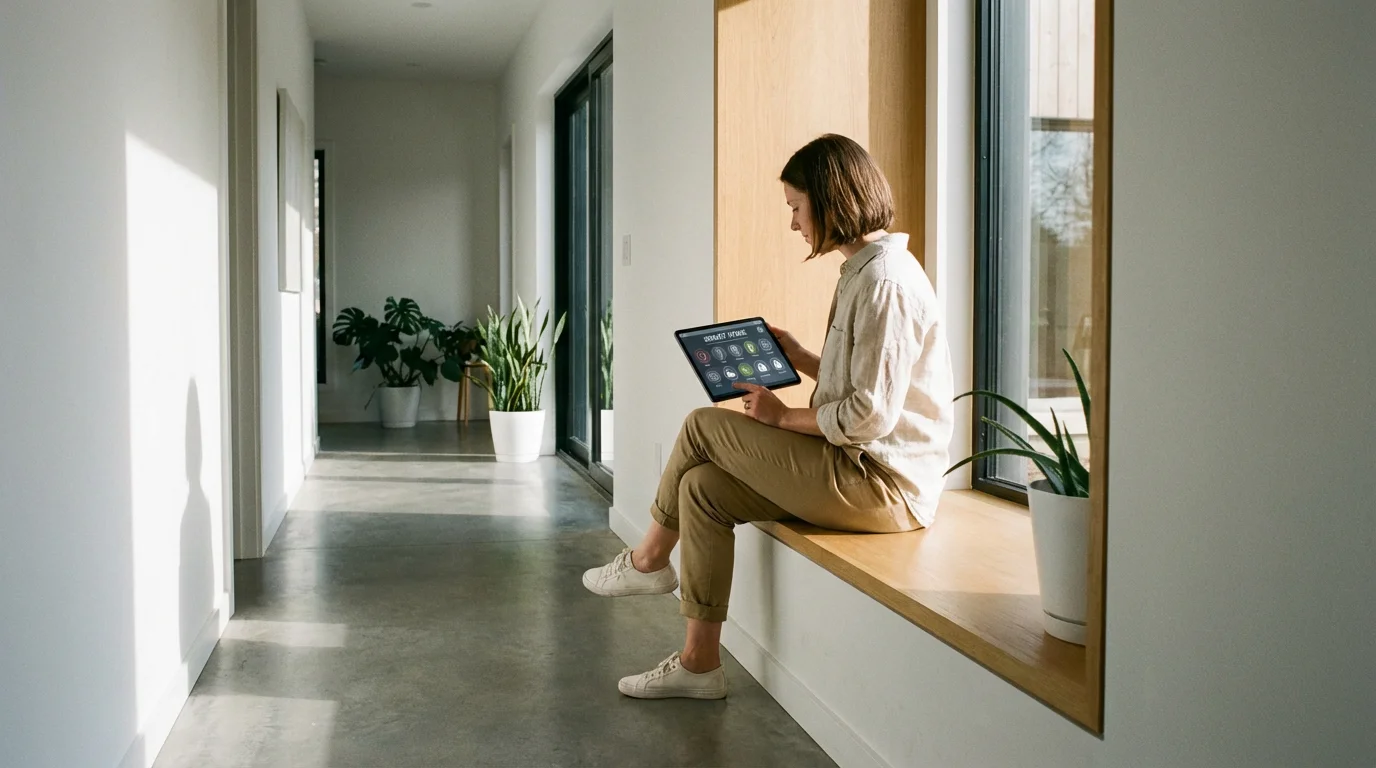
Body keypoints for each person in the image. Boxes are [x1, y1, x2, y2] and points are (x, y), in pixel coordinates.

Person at [582, 134, 954, 699]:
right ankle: (699, 665)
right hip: (853, 467)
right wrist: (803, 357)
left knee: (703, 425)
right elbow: (862, 382)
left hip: (883, 487)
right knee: (704, 488)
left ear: (831, 201)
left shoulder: (885, 283)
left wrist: (782, 420)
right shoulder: (863, 270)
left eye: (795, 208)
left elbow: (868, 415)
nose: (793, 224)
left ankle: (648, 558)